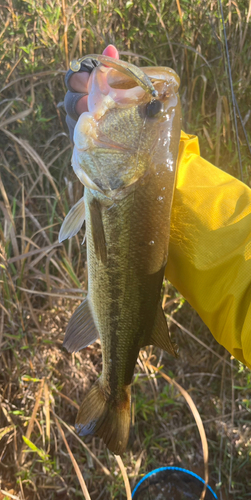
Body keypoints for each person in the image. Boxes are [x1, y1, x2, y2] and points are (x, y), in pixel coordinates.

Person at [63, 45, 251, 370]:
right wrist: (161, 179)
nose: (151, 107)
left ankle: (115, 387)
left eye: (149, 111)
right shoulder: (124, 179)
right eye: (150, 110)